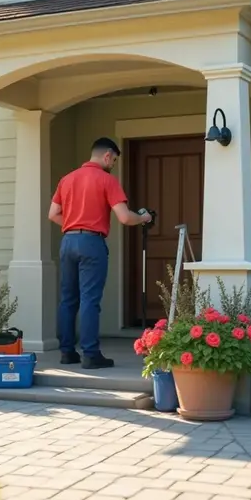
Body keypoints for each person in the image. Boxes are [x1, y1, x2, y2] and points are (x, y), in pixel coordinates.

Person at [48, 137, 153, 369]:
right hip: (91, 243)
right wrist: (143, 217)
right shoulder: (107, 180)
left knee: (68, 299)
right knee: (89, 299)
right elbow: (124, 217)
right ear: (107, 156)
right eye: (114, 160)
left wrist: (74, 223)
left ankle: (67, 353)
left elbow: (53, 214)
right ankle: (90, 354)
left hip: (68, 241)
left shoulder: (67, 179)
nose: (113, 164)